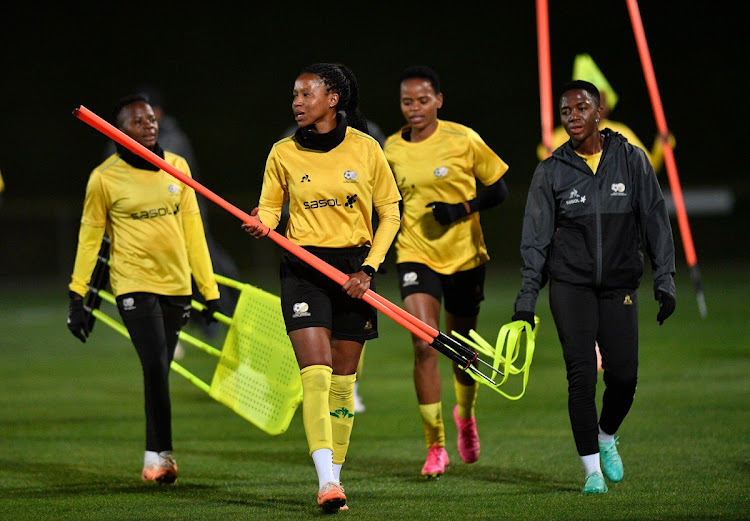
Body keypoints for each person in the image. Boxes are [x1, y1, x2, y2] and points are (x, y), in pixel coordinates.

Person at [242, 63, 401, 513]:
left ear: (333, 99)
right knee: (315, 373)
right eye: (294, 95)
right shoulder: (282, 152)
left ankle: (337, 471)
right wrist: (262, 223)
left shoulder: (367, 149)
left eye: (306, 94)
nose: (296, 102)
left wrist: (368, 269)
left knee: (342, 387)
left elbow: (390, 212)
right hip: (304, 269)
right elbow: (272, 209)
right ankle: (327, 482)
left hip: (355, 272)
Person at [512, 80, 676, 494]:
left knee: (624, 378)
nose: (572, 116)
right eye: (566, 111)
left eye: (581, 108)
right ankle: (591, 472)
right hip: (570, 285)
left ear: (598, 111)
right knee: (581, 376)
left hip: (619, 284)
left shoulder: (632, 160)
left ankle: (606, 437)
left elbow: (655, 221)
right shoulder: (551, 170)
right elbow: (535, 240)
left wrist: (664, 279)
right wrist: (527, 298)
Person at [66, 94, 222, 485]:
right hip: (132, 283)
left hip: (176, 285)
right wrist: (77, 295)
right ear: (120, 130)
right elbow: (89, 238)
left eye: (151, 119)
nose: (149, 124)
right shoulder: (104, 178)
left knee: (161, 369)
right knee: (154, 364)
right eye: (138, 120)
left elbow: (194, 234)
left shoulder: (178, 168)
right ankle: (159, 456)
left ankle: (158, 452)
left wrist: (209, 289)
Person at [383, 65, 510, 478]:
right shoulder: (391, 148)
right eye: (407, 101)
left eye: (423, 100)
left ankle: (466, 416)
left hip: (465, 258)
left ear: (439, 100)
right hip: (414, 254)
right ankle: (435, 446)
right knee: (424, 343)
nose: (414, 108)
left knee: (460, 352)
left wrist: (461, 210)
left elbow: (499, 189)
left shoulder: (463, 139)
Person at [103, 85, 241, 345]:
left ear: (159, 112)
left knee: (213, 267)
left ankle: (223, 317)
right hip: (143, 223)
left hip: (184, 217)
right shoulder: (118, 139)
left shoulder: (174, 138)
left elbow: (166, 172)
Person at [536, 53, 674, 173]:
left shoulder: (619, 133)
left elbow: (645, 167)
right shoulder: (561, 136)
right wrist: (547, 151)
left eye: (601, 100)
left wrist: (661, 148)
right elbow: (548, 162)